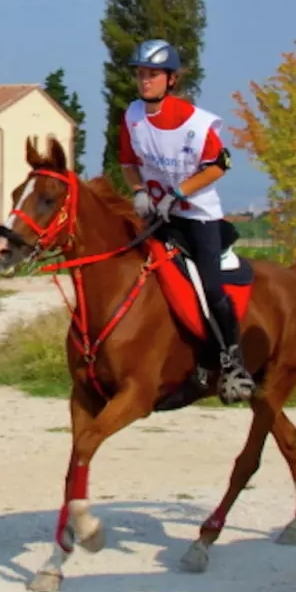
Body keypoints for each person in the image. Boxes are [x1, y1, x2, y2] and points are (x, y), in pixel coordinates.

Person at [118, 38, 256, 405]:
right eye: (141, 74)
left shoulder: (195, 122)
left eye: (152, 74)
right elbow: (128, 164)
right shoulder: (132, 116)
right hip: (157, 215)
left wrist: (179, 194)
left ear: (171, 80)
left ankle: (233, 362)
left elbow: (221, 164)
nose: (144, 81)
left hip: (198, 217)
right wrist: (137, 192)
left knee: (209, 288)